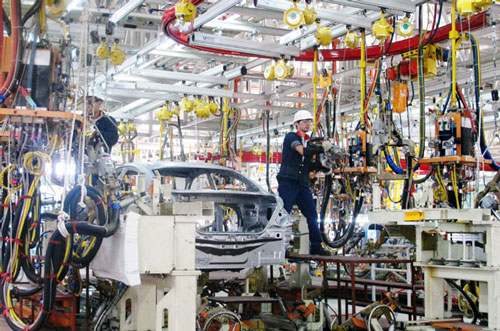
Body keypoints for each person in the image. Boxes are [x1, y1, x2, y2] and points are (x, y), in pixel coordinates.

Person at [277, 110, 333, 256]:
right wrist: (322, 148)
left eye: (309, 121)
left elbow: (307, 164)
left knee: (312, 215)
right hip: (288, 182)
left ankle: (316, 246)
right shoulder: (291, 138)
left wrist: (323, 166)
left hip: (302, 184)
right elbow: (302, 152)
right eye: (304, 121)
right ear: (297, 124)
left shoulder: (309, 142)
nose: (307, 124)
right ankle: (279, 247)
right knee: (283, 215)